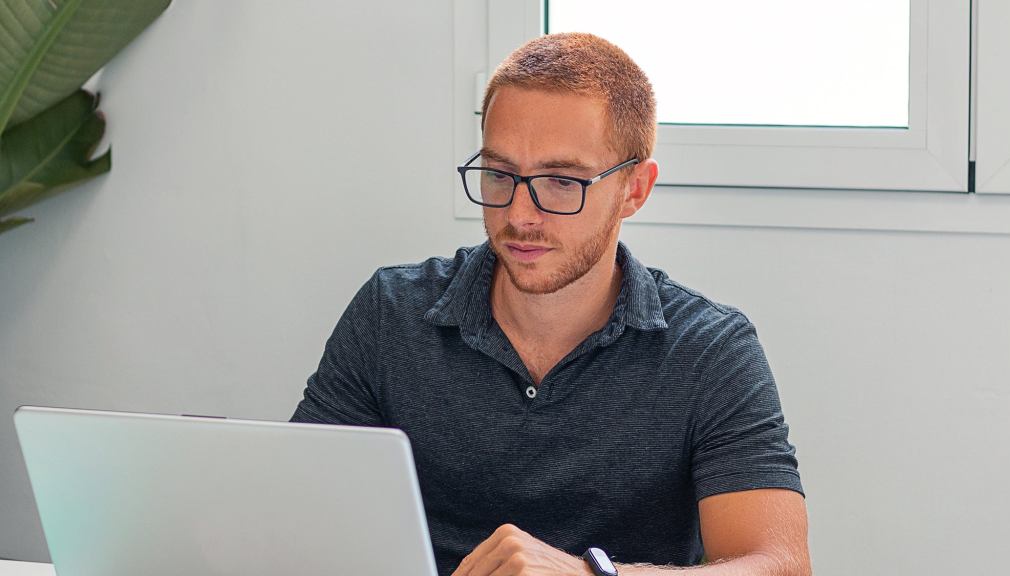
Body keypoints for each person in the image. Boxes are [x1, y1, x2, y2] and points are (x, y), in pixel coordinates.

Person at [291, 32, 810, 576]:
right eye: (499, 174)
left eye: (561, 181)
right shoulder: (390, 314)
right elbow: (296, 509)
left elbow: (781, 565)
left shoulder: (709, 349)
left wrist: (590, 575)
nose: (520, 215)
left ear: (635, 188)